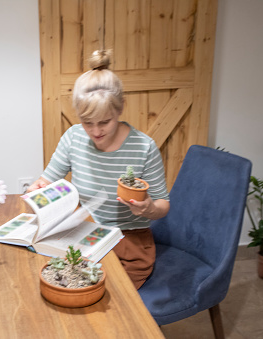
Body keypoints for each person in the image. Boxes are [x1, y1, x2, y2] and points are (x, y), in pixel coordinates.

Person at [28, 50, 170, 289]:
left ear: (121, 107)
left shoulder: (144, 147)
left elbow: (163, 206)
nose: (95, 132)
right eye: (87, 122)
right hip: (84, 237)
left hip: (129, 243)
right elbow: (46, 181)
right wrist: (37, 190)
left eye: (105, 122)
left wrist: (148, 209)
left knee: (107, 301)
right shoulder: (73, 137)